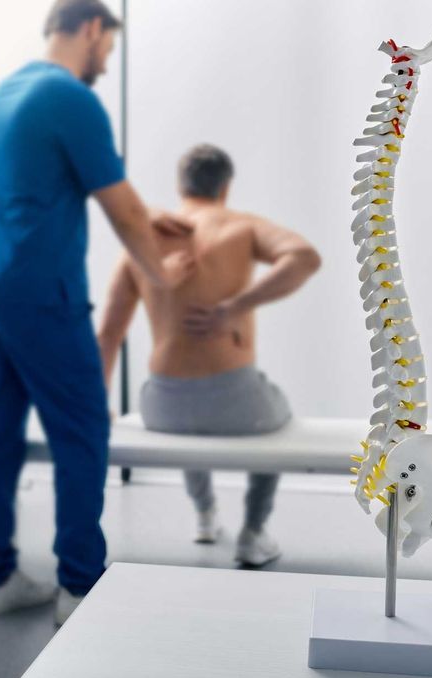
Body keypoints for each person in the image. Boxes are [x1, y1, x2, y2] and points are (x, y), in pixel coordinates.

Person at [0, 0, 196, 626]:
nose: (106, 62)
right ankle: (79, 590)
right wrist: (160, 276)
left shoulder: (9, 93)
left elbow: (68, 187)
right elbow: (119, 209)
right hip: (40, 291)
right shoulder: (72, 98)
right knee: (84, 428)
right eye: (109, 48)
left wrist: (150, 220)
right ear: (92, 27)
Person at [97, 144, 321, 565]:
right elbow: (304, 258)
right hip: (239, 407)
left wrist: (99, 404)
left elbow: (108, 334)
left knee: (191, 432)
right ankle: (253, 532)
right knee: (279, 420)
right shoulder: (240, 226)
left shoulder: (142, 241)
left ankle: (204, 514)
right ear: (226, 186)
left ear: (181, 186)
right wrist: (235, 306)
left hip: (161, 407)